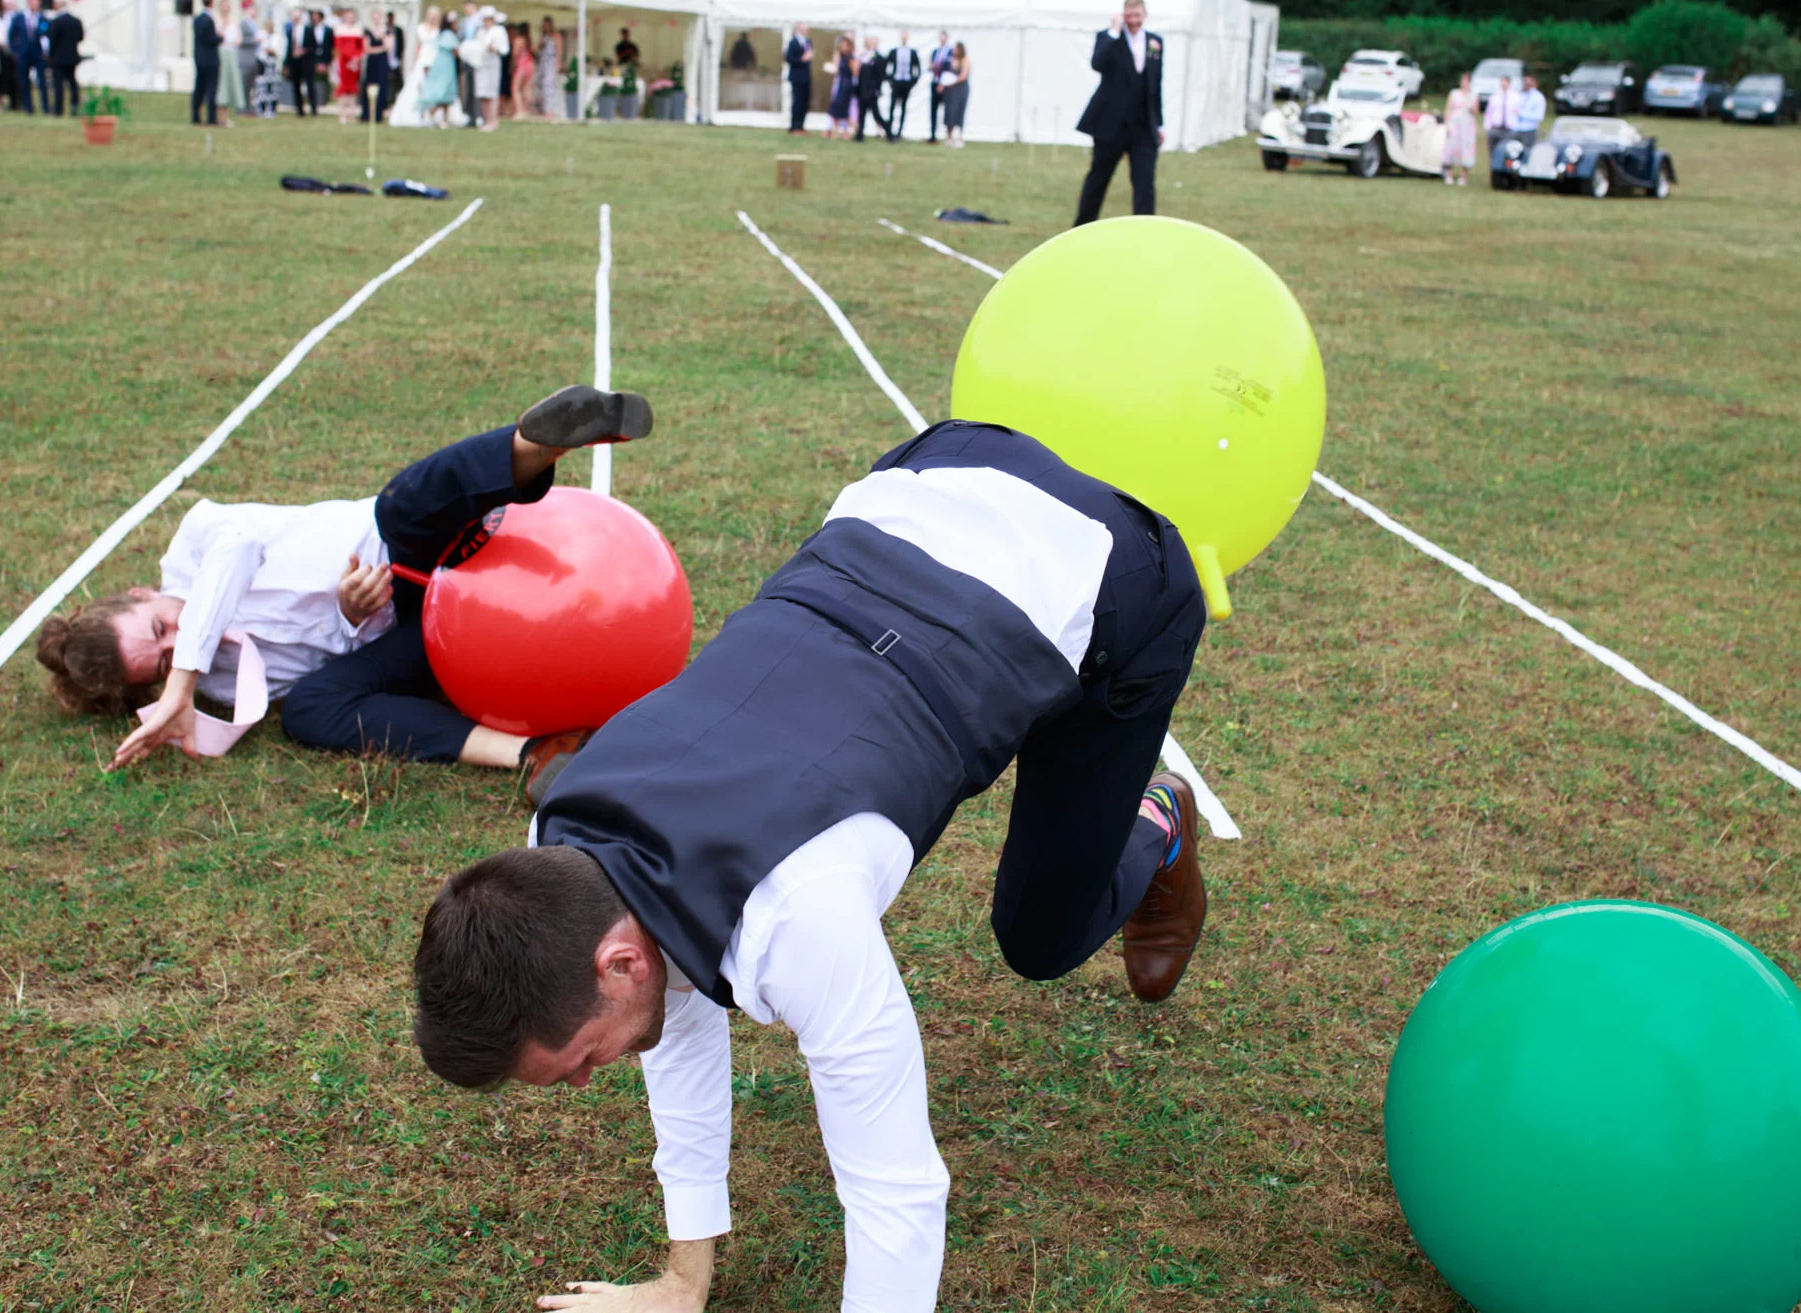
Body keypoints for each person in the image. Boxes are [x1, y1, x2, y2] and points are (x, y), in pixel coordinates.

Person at [411, 419, 1211, 1312]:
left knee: (1041, 935)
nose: (587, 1079)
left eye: (576, 1061)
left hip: (1102, 569)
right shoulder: (558, 853)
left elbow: (897, 1192)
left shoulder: (798, 918)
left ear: (617, 962)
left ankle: (1158, 820)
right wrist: (682, 1280)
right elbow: (672, 1013)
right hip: (930, 477)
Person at [40, 387, 654, 798]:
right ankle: (533, 755)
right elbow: (329, 668)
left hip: (406, 541)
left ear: (141, 591)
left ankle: (537, 443)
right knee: (306, 712)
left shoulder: (196, 543)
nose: (177, 645)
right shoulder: (222, 686)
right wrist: (352, 615)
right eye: (164, 662)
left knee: (401, 503)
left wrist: (181, 678)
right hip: (414, 633)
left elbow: (240, 549)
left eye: (159, 627)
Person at [1072, 0, 1164, 226]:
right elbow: (1098, 63)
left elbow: (1155, 85)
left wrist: (1159, 124)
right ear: (1122, 15)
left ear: (1145, 15)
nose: (1133, 21)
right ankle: (1083, 226)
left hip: (1143, 126)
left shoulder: (1155, 42)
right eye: (1129, 16)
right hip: (1111, 125)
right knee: (1098, 179)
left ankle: (1145, 230)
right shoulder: (1108, 38)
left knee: (1145, 183)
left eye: (1137, 15)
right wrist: (1114, 31)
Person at [7, 0, 47, 114]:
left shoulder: (42, 18)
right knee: (24, 81)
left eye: (38, 2)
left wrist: (46, 50)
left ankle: (45, 107)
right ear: (29, 2)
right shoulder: (19, 17)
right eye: (34, 1)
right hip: (23, 53)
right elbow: (11, 35)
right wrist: (15, 51)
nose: (36, 4)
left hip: (38, 53)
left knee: (42, 80)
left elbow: (45, 34)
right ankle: (28, 107)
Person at [418, 12, 460, 128]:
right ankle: (432, 115)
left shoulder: (441, 34)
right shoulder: (449, 34)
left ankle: (440, 118)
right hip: (447, 65)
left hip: (439, 63)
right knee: (445, 91)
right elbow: (456, 50)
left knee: (443, 91)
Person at [46, 0, 85, 118]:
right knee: (72, 83)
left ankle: (58, 110)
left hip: (58, 58)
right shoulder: (76, 21)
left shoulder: (56, 22)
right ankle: (74, 106)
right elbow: (81, 37)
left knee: (58, 84)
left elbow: (52, 40)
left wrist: (50, 55)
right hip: (72, 57)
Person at [470, 9, 507, 132]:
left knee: (492, 93)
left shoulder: (499, 31)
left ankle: (493, 120)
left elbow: (504, 49)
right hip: (481, 64)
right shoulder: (480, 31)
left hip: (492, 65)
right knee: (482, 93)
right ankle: (486, 120)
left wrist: (493, 48)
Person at [190, 0, 221, 126]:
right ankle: (211, 117)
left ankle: (195, 116)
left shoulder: (196, 19)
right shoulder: (209, 20)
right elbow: (211, 39)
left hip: (199, 58)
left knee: (199, 88)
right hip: (211, 59)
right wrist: (220, 38)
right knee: (211, 88)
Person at [1441, 71, 1476, 186]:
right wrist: (1447, 124)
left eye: (1466, 81)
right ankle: (1449, 174)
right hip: (1455, 124)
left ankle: (1463, 176)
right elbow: (1448, 108)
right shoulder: (1454, 93)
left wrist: (1470, 106)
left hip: (1467, 125)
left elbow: (1476, 111)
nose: (1464, 83)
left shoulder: (1473, 95)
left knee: (1466, 149)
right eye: (1462, 80)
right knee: (1451, 147)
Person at [884, 29, 920, 139]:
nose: (904, 38)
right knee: (892, 106)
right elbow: (887, 65)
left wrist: (913, 81)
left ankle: (899, 131)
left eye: (906, 36)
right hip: (896, 81)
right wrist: (890, 79)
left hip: (906, 82)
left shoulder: (912, 52)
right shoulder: (894, 51)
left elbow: (917, 68)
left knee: (903, 107)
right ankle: (889, 130)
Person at [853, 34, 889, 142]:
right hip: (862, 90)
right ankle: (859, 135)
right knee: (861, 114)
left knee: (876, 115)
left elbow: (882, 76)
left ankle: (890, 133)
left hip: (872, 91)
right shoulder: (862, 56)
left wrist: (877, 90)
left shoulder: (879, 58)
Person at [333, 6, 364, 123]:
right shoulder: (339, 29)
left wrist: (356, 58)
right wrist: (350, 59)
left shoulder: (358, 30)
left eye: (352, 16)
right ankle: (342, 113)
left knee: (353, 89)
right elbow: (339, 47)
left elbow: (361, 47)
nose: (350, 18)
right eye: (348, 16)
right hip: (344, 62)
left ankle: (352, 114)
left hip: (355, 63)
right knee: (344, 88)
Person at [213, 0, 242, 123]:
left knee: (230, 84)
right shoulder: (216, 20)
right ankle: (219, 115)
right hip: (220, 53)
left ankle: (226, 116)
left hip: (231, 53)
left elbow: (238, 39)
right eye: (223, 5)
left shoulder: (234, 21)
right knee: (221, 84)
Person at [361, 13, 394, 122]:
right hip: (372, 62)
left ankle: (379, 114)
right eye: (374, 18)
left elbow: (389, 46)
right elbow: (366, 49)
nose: (377, 20)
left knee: (382, 86)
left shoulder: (387, 31)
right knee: (369, 85)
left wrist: (381, 39)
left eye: (378, 18)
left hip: (382, 62)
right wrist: (380, 48)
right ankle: (367, 114)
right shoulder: (368, 31)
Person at [824, 33, 857, 138]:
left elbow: (855, 72)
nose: (843, 47)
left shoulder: (851, 57)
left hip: (847, 86)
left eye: (845, 45)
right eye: (841, 45)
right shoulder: (841, 56)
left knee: (844, 110)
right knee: (836, 108)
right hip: (840, 84)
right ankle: (834, 131)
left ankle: (852, 127)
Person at [938, 41, 970, 147]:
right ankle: (949, 137)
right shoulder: (950, 60)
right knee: (950, 112)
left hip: (960, 89)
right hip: (950, 91)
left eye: (956, 49)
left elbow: (963, 76)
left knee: (960, 112)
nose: (954, 51)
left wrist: (952, 81)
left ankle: (959, 137)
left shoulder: (965, 60)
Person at [782, 23, 812, 134]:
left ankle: (801, 126)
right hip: (797, 77)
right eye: (803, 29)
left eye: (807, 29)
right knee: (797, 102)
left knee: (805, 102)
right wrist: (801, 59)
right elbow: (788, 58)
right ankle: (794, 126)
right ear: (798, 30)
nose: (805, 31)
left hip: (806, 77)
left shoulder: (808, 42)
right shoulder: (793, 42)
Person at [236, 0, 262, 115]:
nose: (255, 12)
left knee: (250, 86)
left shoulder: (254, 24)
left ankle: (249, 107)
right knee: (244, 86)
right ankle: (241, 108)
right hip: (245, 60)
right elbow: (240, 41)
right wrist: (254, 41)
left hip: (253, 59)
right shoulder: (243, 24)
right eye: (253, 9)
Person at [926, 29, 951, 142]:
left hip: (945, 84)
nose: (942, 40)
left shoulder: (950, 52)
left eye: (943, 37)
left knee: (947, 110)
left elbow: (949, 69)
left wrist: (943, 83)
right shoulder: (935, 52)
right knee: (933, 109)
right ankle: (933, 135)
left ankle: (948, 135)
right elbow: (932, 65)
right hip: (935, 82)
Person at [507, 21, 534, 117]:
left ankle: (519, 110)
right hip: (529, 66)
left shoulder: (518, 40)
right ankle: (526, 110)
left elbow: (515, 54)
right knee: (526, 89)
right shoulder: (529, 40)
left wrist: (512, 66)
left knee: (515, 89)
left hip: (520, 67)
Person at [1482, 75, 1516, 153]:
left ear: (1509, 83)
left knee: (1506, 152)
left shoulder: (1515, 97)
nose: (1503, 84)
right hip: (1495, 128)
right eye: (1502, 82)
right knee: (1493, 151)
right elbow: (1488, 113)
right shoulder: (1495, 96)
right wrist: (1487, 128)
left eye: (1505, 82)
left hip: (1508, 129)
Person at [537, 16, 561, 119]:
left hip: (551, 63)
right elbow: (538, 49)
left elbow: (559, 50)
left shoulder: (556, 35)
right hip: (543, 64)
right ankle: (544, 109)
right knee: (542, 86)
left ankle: (551, 111)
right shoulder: (543, 36)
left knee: (549, 87)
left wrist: (557, 64)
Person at [1514, 73, 1546, 143]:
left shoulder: (1538, 97)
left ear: (1535, 83)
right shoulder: (1521, 95)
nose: (1527, 83)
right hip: (1516, 129)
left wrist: (1521, 114)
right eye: (1525, 81)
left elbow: (1539, 116)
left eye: (1529, 81)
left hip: (1530, 129)